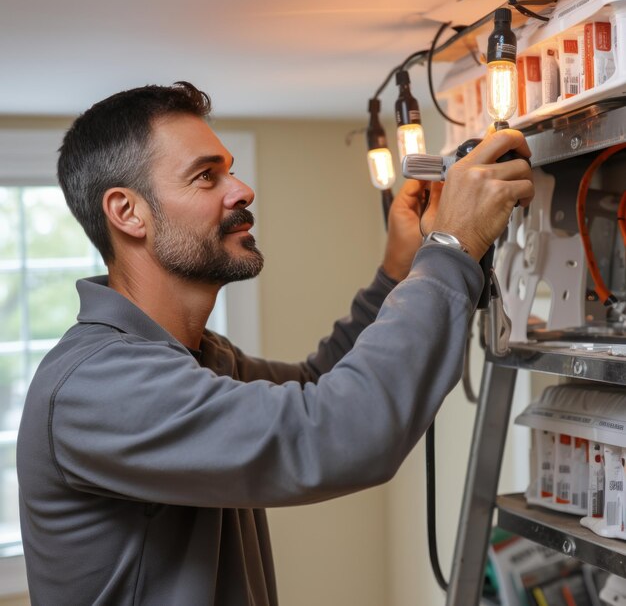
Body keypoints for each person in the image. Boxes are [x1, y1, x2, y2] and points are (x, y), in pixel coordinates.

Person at [16, 81, 534, 605]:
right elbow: (338, 430)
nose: (241, 190)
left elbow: (319, 386)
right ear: (128, 212)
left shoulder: (197, 359)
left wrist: (400, 270)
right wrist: (450, 248)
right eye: (205, 176)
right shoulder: (97, 386)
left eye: (230, 168)